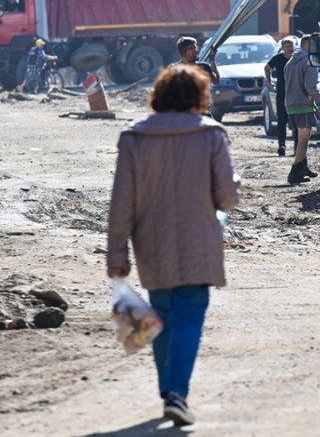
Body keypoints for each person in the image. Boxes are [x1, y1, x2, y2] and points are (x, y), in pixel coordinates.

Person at [106, 64, 241, 427]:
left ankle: (169, 393)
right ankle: (176, 394)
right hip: (198, 242)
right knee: (189, 315)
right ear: (199, 97)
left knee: (161, 315)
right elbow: (227, 199)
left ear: (159, 96)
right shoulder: (212, 136)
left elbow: (122, 203)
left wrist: (116, 256)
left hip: (151, 245)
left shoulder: (134, 138)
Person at [284, 35, 320, 184]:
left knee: (300, 138)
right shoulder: (309, 62)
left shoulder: (290, 62)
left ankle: (303, 168)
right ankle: (294, 173)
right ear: (310, 46)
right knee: (303, 141)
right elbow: (310, 87)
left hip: (290, 105)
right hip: (303, 105)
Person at [264, 36, 297, 157]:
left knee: (295, 121)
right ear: (283, 48)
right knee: (281, 120)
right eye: (287, 47)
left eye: (291, 47)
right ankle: (281, 145)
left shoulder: (296, 59)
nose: (289, 49)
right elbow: (267, 68)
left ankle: (296, 147)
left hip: (295, 93)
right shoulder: (278, 59)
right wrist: (269, 83)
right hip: (282, 93)